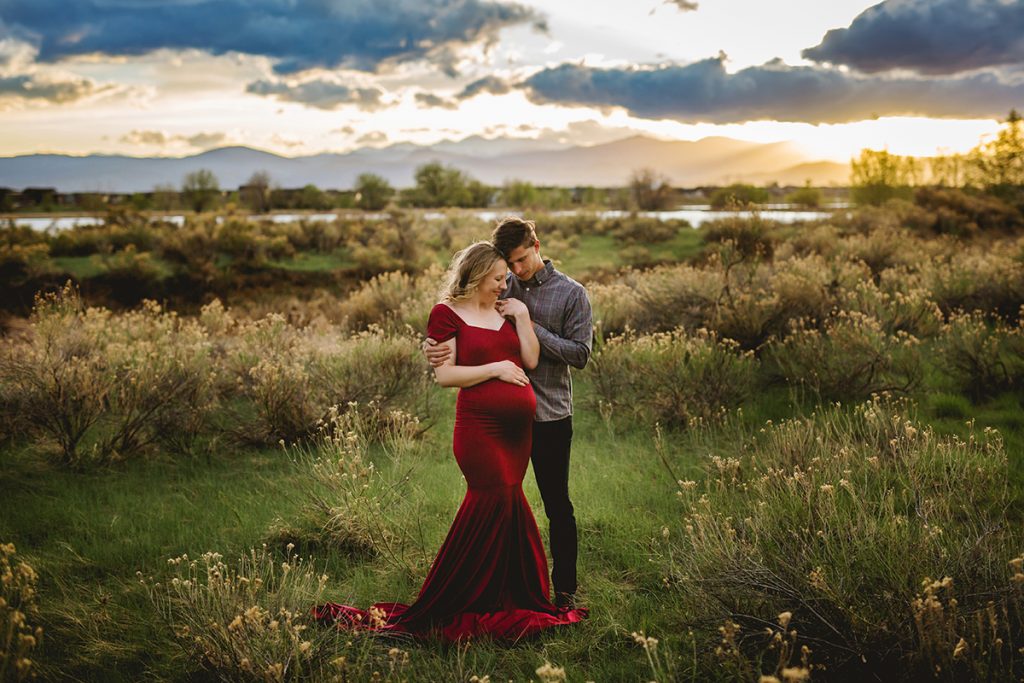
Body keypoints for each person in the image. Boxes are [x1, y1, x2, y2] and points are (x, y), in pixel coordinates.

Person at [314, 241, 587, 641]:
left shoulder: (507, 306)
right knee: (491, 499)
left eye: (507, 275)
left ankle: (510, 595)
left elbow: (530, 360)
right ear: (478, 275)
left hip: (521, 431)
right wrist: (495, 368)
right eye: (498, 277)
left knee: (513, 501)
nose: (505, 282)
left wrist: (524, 316)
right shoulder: (446, 312)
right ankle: (462, 595)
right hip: (480, 428)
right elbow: (446, 376)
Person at [424, 217, 593, 609]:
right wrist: (432, 346)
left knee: (556, 505)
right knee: (501, 501)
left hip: (549, 415)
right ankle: (498, 591)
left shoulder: (571, 294)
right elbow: (464, 319)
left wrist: (528, 322)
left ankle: (564, 590)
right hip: (496, 424)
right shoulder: (501, 283)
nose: (514, 273)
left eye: (519, 261)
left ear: (537, 244)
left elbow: (581, 354)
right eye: (508, 266)